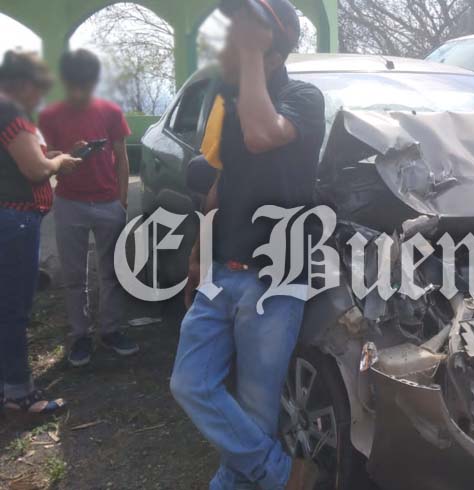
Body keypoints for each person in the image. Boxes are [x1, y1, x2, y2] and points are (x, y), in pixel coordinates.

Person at [168, 0, 326, 488]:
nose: (227, 49)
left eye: (240, 39)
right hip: (223, 274)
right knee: (189, 383)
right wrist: (197, 257)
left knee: (256, 411)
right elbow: (219, 184)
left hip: (275, 280)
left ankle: (238, 482)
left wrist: (254, 52)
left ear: (272, 55)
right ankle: (283, 475)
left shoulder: (304, 97)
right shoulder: (230, 102)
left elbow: (263, 135)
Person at [38, 49, 137, 367]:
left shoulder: (110, 111)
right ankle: (81, 335)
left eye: (86, 84)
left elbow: (122, 158)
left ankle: (110, 331)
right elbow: (47, 161)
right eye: (74, 85)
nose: (80, 92)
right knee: (74, 275)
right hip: (70, 204)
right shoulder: (49, 116)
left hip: (108, 202)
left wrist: (122, 200)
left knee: (111, 272)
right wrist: (68, 153)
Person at [0, 50, 79, 414]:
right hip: (14, 221)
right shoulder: (10, 113)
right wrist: (58, 162)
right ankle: (19, 393)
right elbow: (34, 170)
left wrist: (50, 157)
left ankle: (9, 383)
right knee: (13, 309)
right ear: (23, 85)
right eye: (38, 90)